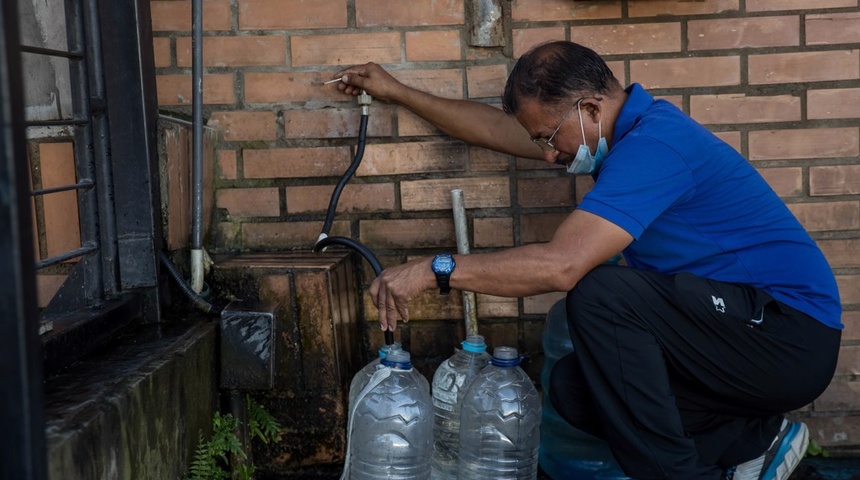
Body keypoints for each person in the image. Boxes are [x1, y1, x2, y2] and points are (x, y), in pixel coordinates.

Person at [331, 41, 842, 480]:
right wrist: (395, 89)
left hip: (786, 335)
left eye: (550, 139)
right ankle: (754, 445)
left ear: (591, 110)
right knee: (577, 388)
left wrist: (434, 269)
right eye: (540, 142)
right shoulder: (611, 135)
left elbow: (562, 265)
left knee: (601, 295)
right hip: (730, 341)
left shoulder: (655, 145)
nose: (551, 157)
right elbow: (492, 128)